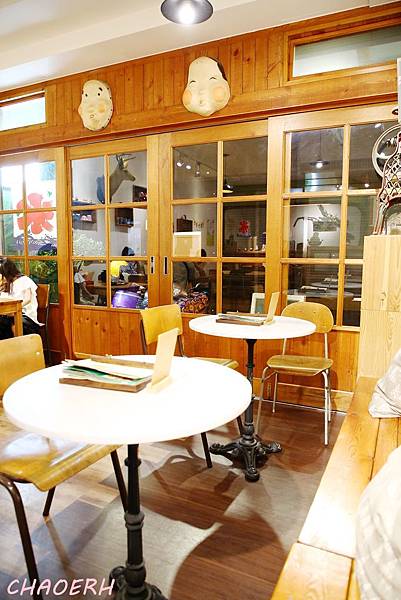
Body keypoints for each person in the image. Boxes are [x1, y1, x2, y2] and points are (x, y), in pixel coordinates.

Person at [0, 258, 41, 339]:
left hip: (25, 317)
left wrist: (15, 309)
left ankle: (15, 345)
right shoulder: (6, 284)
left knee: (8, 324)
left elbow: (28, 299)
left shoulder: (24, 280)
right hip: (8, 315)